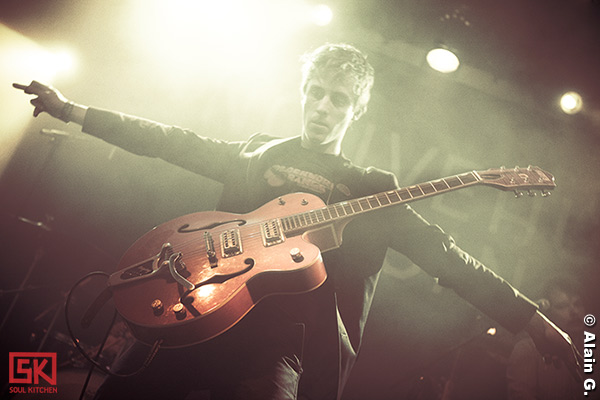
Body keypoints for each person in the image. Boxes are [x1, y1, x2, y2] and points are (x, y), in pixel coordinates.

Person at [13, 43, 582, 400]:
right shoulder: (260, 152)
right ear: (303, 93)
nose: (323, 108)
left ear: (356, 109)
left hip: (277, 344)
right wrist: (74, 111)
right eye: (316, 94)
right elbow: (170, 141)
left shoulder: (371, 189)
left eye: (338, 99)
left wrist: (529, 318)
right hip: (197, 306)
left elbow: (445, 255)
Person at [506, 278, 586, 400]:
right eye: (562, 306)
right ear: (547, 313)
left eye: (577, 304)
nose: (574, 311)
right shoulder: (527, 350)